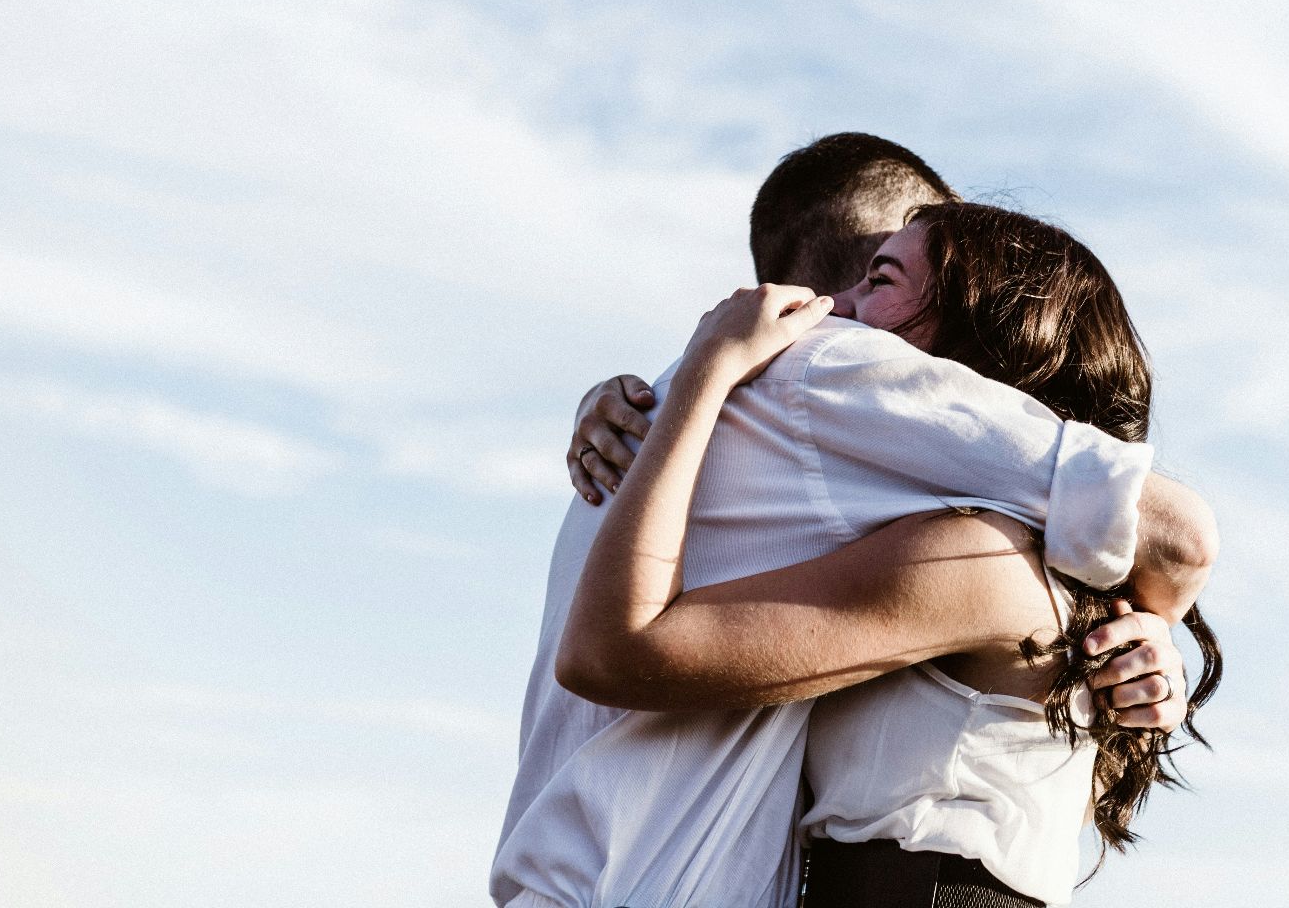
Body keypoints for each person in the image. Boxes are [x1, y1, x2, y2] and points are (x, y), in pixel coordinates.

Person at [491, 134, 1216, 908]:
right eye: (876, 269)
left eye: (889, 280)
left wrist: (1145, 627)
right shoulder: (824, 383)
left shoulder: (976, 551)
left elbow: (1173, 534)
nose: (845, 317)